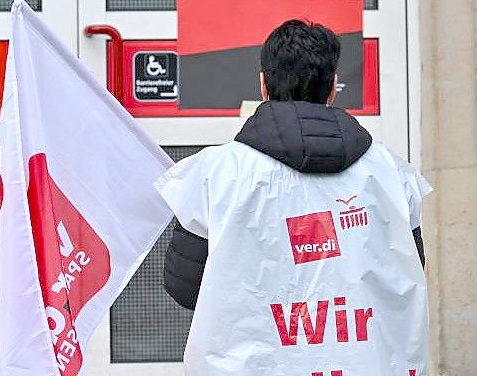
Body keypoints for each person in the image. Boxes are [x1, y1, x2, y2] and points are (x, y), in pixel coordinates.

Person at [155, 19, 431, 375]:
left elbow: (184, 286)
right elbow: (407, 273)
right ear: (333, 87)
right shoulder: (391, 173)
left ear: (263, 83)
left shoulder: (216, 174)